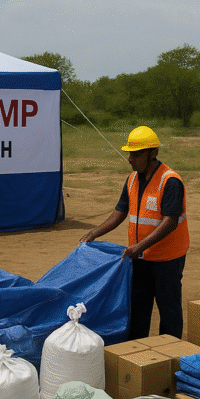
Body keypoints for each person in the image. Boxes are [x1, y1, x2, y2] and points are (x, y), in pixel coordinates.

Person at [80, 125, 188, 340]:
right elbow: (119, 212)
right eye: (130, 153)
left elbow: (170, 222)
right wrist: (93, 233)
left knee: (169, 310)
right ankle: (137, 350)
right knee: (138, 309)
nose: (130, 159)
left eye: (136, 154)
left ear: (152, 153)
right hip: (139, 259)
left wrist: (139, 246)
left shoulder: (170, 181)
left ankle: (170, 350)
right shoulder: (131, 180)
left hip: (166, 259)